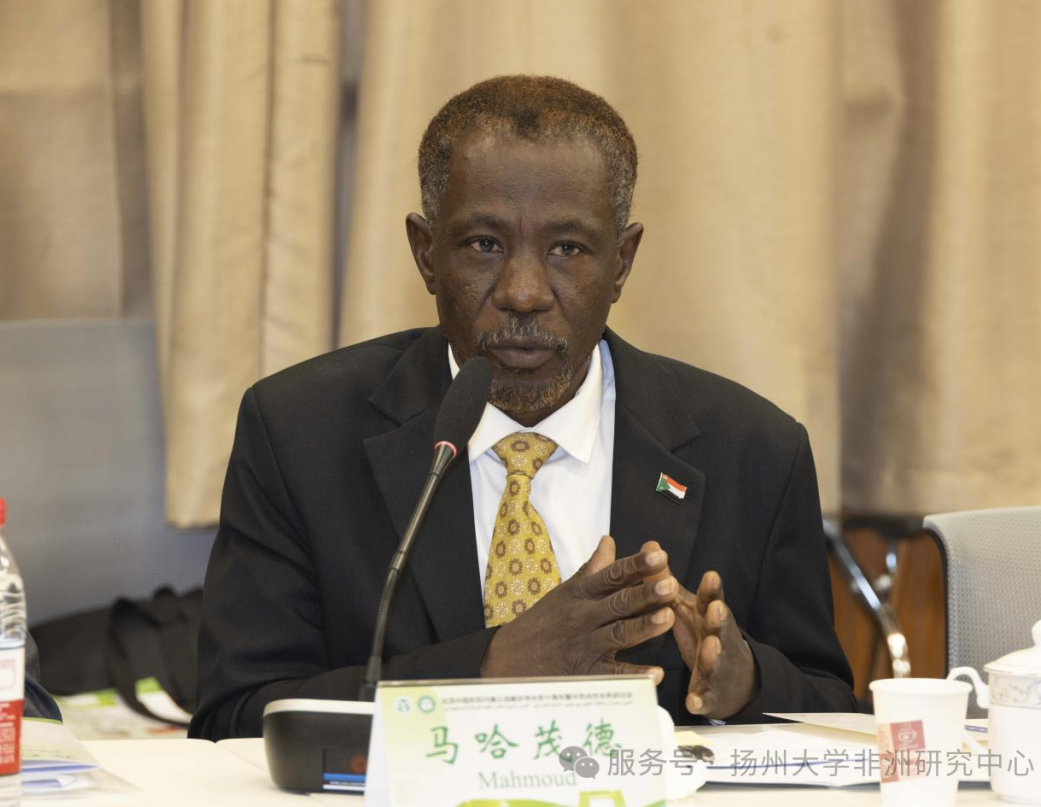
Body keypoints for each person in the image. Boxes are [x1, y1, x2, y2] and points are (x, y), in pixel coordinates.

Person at [190, 75, 856, 741]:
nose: (524, 292)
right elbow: (234, 717)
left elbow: (835, 711)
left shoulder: (754, 451)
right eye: (484, 244)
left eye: (567, 249)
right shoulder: (298, 435)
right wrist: (488, 669)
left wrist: (747, 683)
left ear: (622, 262)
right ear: (426, 253)